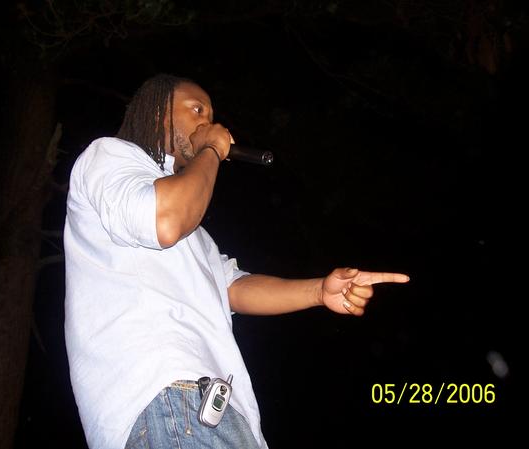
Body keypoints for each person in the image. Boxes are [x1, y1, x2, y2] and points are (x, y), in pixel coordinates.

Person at [64, 73, 409, 449]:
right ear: (159, 111)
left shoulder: (195, 235)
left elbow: (235, 289)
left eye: (211, 117)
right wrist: (212, 149)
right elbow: (165, 221)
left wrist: (319, 291)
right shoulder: (109, 157)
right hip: (167, 396)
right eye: (197, 110)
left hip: (214, 408)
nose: (210, 124)